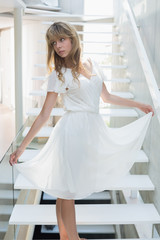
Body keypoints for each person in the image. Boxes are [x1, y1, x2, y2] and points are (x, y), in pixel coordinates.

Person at [9, 21, 154, 240]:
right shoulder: (57, 74)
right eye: (54, 42)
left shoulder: (92, 63)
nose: (58, 46)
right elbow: (44, 115)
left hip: (90, 132)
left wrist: (138, 105)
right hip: (71, 133)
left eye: (62, 39)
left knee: (65, 189)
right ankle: (73, 238)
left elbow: (107, 97)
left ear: (72, 38)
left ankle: (66, 237)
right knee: (68, 190)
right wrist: (21, 149)